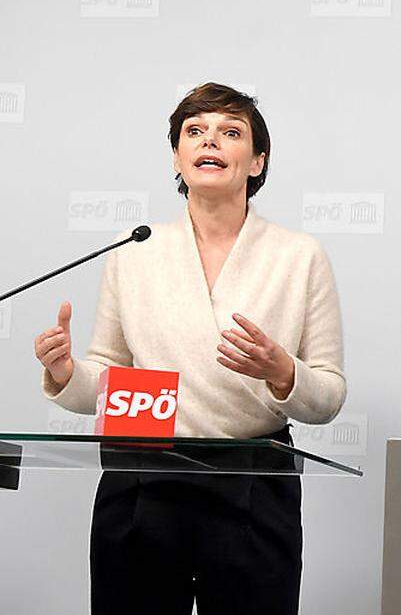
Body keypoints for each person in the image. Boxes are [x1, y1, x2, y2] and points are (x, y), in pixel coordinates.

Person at [32, 82, 346, 615]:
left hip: (252, 485)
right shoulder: (135, 251)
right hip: (143, 483)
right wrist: (66, 373)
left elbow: (329, 395)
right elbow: (109, 379)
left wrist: (282, 372)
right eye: (195, 132)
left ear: (257, 161)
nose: (211, 142)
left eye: (231, 133)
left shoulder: (299, 255)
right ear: (177, 156)